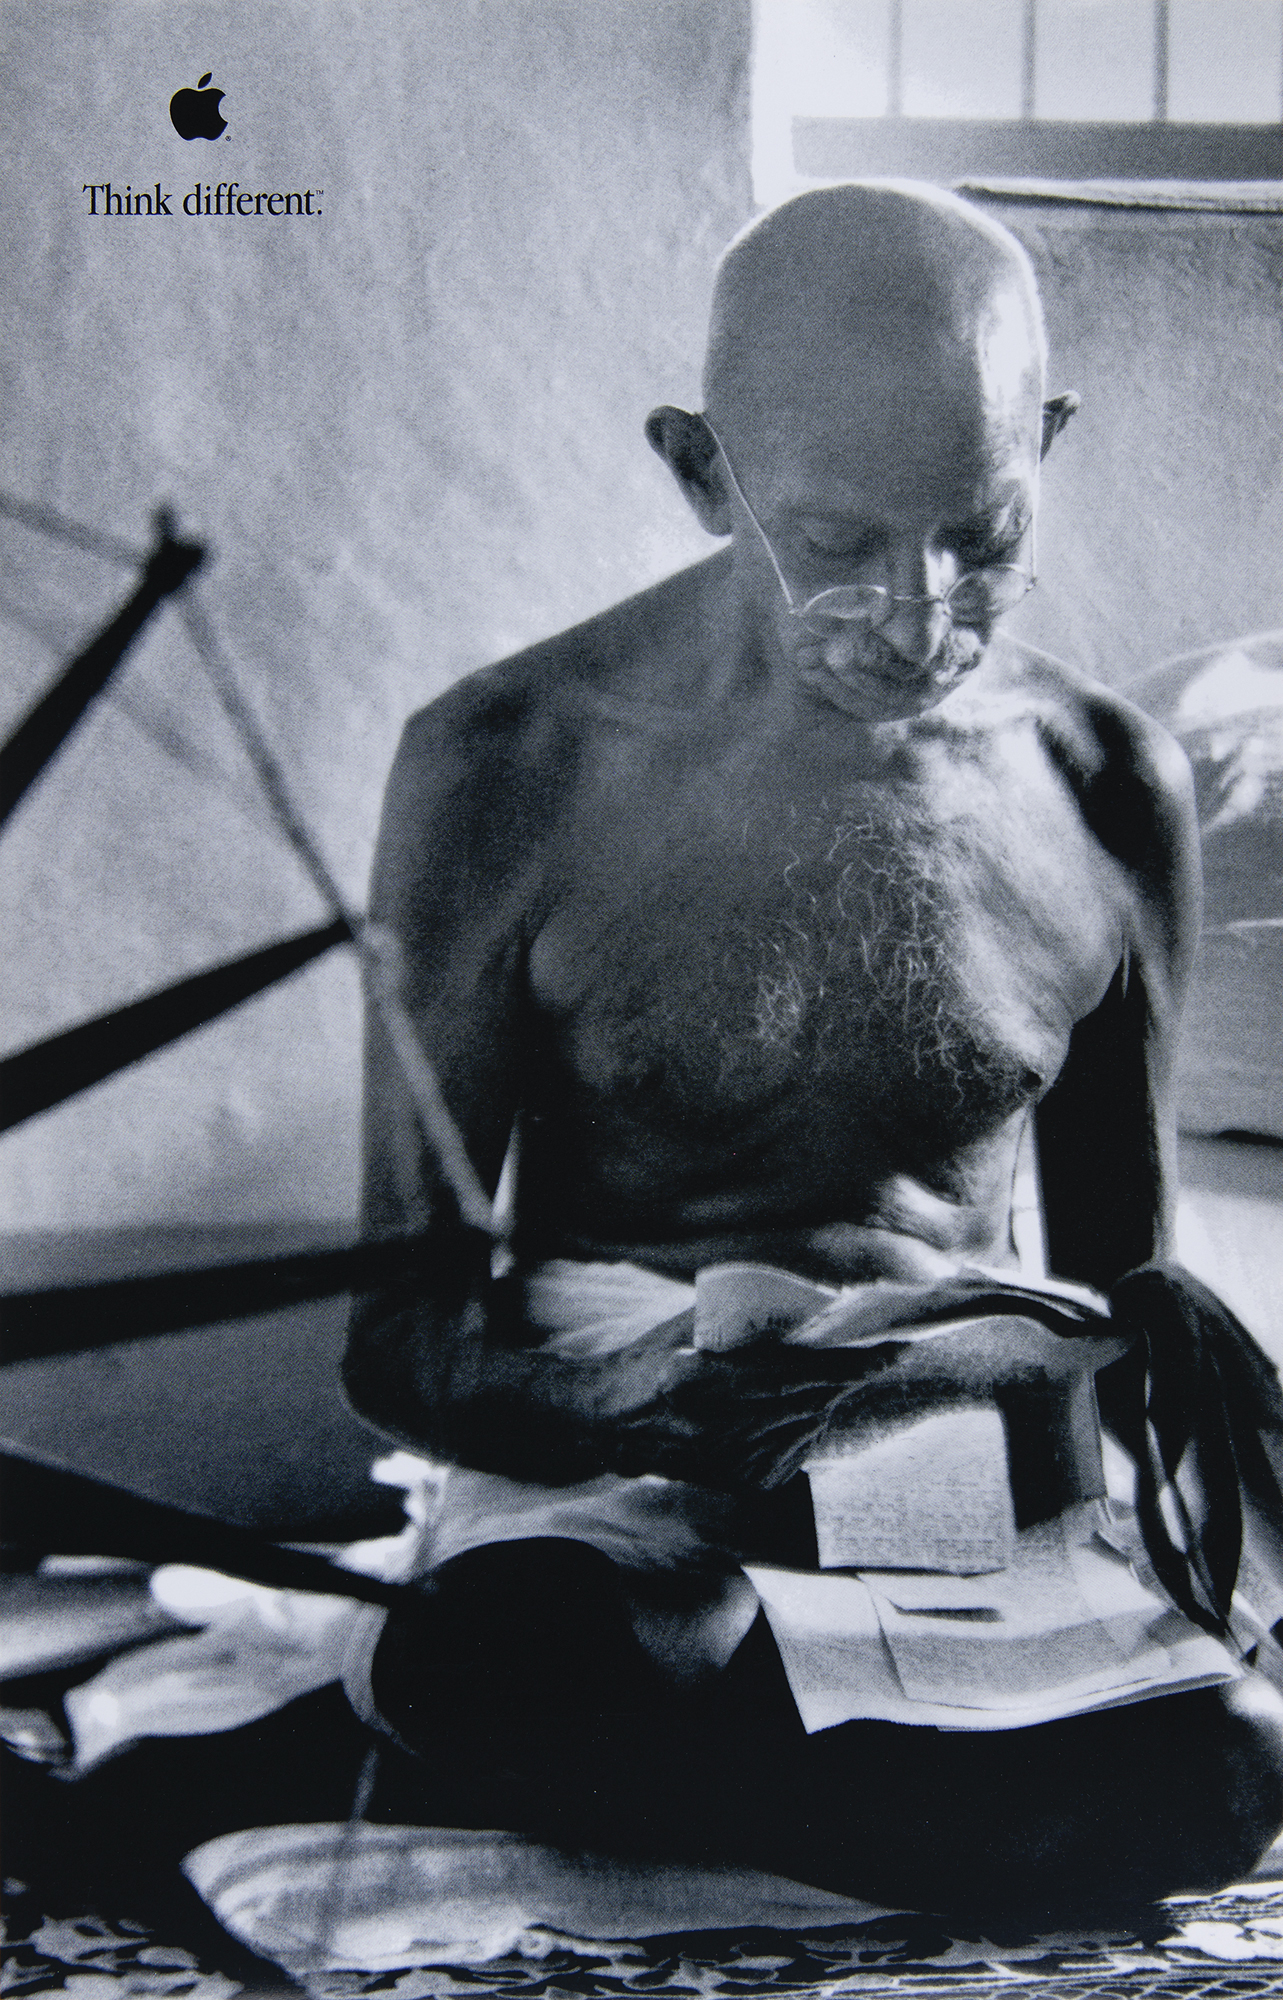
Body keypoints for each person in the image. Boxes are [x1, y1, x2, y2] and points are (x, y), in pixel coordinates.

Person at [342, 181, 1283, 1921]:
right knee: (506, 1657)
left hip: (956, 1493)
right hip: (626, 1482)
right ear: (703, 473)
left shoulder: (1109, 789)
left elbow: (1122, 1286)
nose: (919, 615)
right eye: (838, 543)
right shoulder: (507, 764)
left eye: (981, 535)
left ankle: (791, 1770)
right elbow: (397, 1336)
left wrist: (1084, 1400)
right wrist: (630, 1401)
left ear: (1046, 444)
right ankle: (904, 1786)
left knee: (1233, 1764)